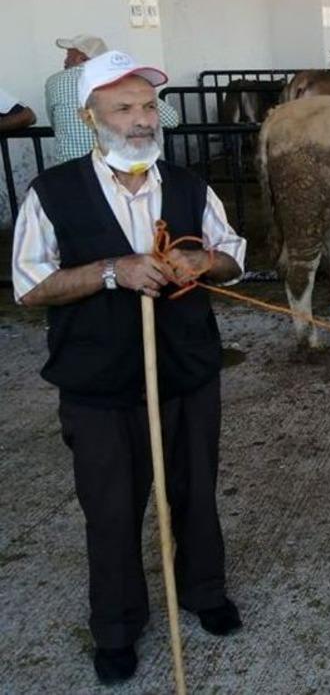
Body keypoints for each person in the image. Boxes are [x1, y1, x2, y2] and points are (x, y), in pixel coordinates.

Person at [13, 50, 246, 685]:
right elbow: (31, 286)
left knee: (195, 491)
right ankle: (116, 625)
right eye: (124, 108)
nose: (141, 120)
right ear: (92, 118)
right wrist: (111, 271)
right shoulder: (53, 192)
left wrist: (203, 264)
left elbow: (233, 255)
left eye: (147, 106)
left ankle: (203, 591)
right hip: (97, 384)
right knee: (112, 507)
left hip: (187, 370)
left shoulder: (190, 185)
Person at [45, 35, 181, 164]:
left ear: (81, 58)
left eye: (68, 56)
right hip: (126, 161)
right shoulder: (125, 80)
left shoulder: (55, 82)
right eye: (124, 108)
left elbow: (54, 123)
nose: (143, 121)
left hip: (70, 166)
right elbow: (172, 120)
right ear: (86, 118)